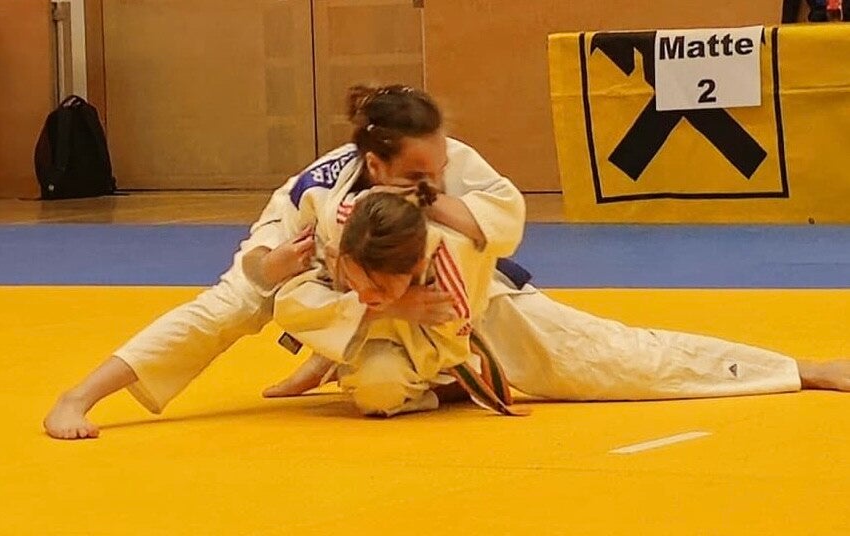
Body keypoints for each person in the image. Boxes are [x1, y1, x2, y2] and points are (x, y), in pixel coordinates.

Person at [43, 83, 525, 438]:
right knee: (221, 313)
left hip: (464, 295)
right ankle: (78, 396)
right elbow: (258, 272)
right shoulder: (318, 194)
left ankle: (355, 360)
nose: (434, 179)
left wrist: (429, 201)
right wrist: (276, 268)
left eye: (439, 170)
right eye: (419, 175)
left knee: (560, 363)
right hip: (323, 284)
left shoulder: (436, 153)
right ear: (375, 165)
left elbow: (505, 214)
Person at [271, 189, 850, 416]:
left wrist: (468, 372)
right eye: (358, 279)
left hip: (483, 318)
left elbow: (451, 341)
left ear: (413, 269)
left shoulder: (452, 262)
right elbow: (288, 302)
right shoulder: (331, 220)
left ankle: (801, 369)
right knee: (376, 390)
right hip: (383, 332)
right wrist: (383, 309)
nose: (366, 293)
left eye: (384, 286)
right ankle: (344, 358)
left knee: (622, 360)